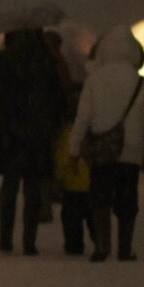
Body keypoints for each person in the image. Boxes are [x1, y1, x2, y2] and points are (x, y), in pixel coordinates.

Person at [68, 27, 144, 262]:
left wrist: (74, 148)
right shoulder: (141, 83)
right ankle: (125, 247)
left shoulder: (94, 81)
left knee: (100, 197)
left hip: (102, 148)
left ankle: (102, 245)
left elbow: (83, 117)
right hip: (131, 149)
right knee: (127, 198)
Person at [0, 27, 67, 255]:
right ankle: (29, 242)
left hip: (9, 129)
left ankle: (5, 239)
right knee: (33, 186)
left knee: (9, 185)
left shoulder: (2, 59)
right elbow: (57, 95)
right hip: (37, 131)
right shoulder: (46, 59)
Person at [46, 29, 92, 255]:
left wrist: (58, 178)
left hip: (72, 183)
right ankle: (99, 239)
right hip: (90, 181)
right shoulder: (64, 62)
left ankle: (74, 244)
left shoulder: (66, 134)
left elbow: (63, 155)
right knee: (90, 210)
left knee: (71, 213)